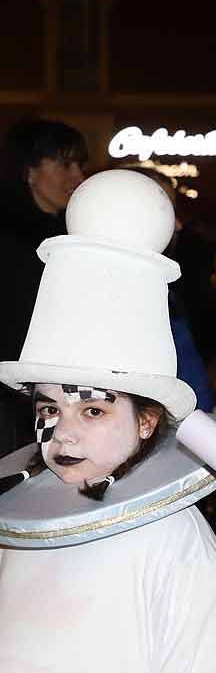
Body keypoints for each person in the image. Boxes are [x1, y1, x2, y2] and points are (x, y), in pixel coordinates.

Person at [0, 168, 216, 673]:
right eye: (49, 406)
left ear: (146, 421)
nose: (63, 430)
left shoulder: (175, 543)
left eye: (95, 409)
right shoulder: (23, 531)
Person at [0, 118, 88, 449]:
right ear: (29, 171)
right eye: (65, 164)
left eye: (80, 165)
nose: (78, 176)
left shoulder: (75, 234)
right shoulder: (9, 238)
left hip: (54, 393)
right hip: (11, 401)